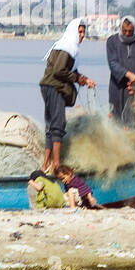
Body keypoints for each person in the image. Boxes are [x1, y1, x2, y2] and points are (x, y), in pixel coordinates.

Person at [39, 18, 96, 173]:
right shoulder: (68, 47)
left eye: (84, 32)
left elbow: (68, 70)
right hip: (53, 86)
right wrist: (78, 79)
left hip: (48, 86)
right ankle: (56, 165)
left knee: (51, 125)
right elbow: (59, 71)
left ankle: (46, 165)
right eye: (80, 31)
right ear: (73, 31)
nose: (82, 35)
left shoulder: (65, 45)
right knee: (58, 124)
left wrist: (84, 79)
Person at [106, 16, 135, 126]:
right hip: (117, 86)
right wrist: (128, 74)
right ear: (120, 28)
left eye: (130, 31)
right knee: (116, 116)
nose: (127, 33)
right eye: (124, 30)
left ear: (134, 29)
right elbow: (112, 63)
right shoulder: (112, 41)